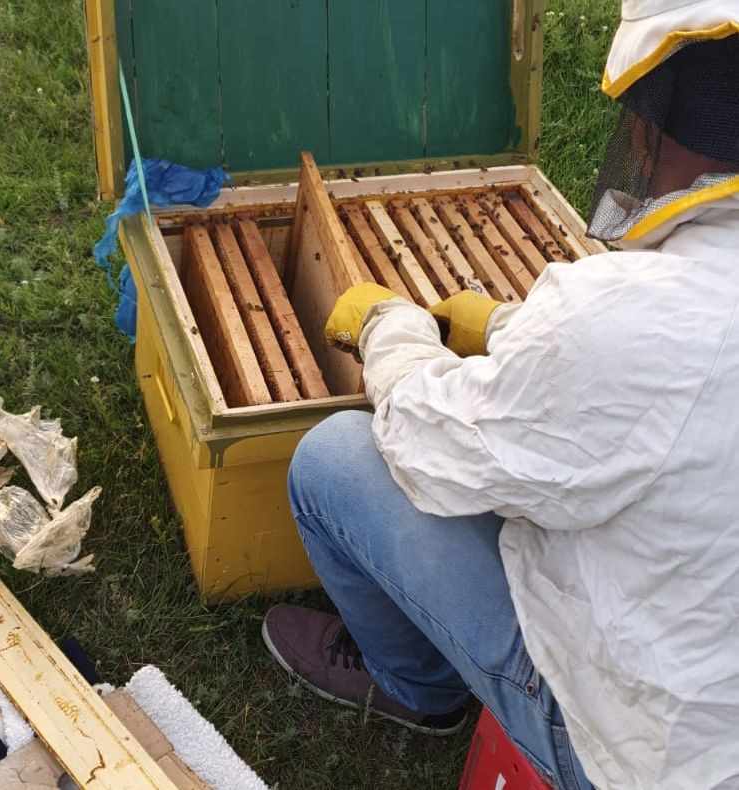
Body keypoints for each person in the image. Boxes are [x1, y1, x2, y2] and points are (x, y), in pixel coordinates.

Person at [261, 2, 739, 788]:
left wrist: (388, 328)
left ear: (652, 119)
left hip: (642, 757)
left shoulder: (625, 321)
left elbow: (426, 440)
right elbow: (674, 386)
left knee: (334, 460)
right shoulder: (655, 321)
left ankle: (417, 689)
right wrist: (512, 328)